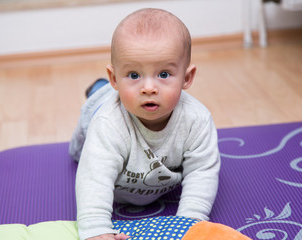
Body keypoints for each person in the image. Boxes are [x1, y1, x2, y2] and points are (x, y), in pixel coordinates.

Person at [69, 8, 221, 240]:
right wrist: (96, 230)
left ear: (187, 78)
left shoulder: (197, 120)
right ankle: (99, 89)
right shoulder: (107, 123)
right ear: (115, 79)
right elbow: (93, 178)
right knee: (79, 153)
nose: (149, 88)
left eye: (163, 74)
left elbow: (202, 171)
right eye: (133, 75)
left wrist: (189, 224)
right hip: (99, 111)